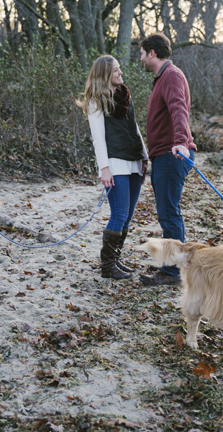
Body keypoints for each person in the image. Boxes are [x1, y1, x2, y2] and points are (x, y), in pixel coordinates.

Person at [76, 55, 149, 279]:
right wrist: (104, 168)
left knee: (127, 216)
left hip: (134, 161)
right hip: (115, 164)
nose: (121, 73)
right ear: (105, 74)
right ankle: (107, 266)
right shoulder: (95, 101)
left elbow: (134, 129)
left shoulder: (125, 96)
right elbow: (98, 138)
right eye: (116, 70)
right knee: (118, 214)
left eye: (119, 69)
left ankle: (115, 259)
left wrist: (145, 157)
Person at [137, 33, 196, 287]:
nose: (140, 58)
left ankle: (172, 273)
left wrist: (181, 142)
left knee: (169, 213)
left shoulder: (170, 75)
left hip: (173, 154)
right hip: (164, 154)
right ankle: (173, 267)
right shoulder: (162, 78)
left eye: (141, 53)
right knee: (167, 212)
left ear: (152, 53)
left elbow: (178, 107)